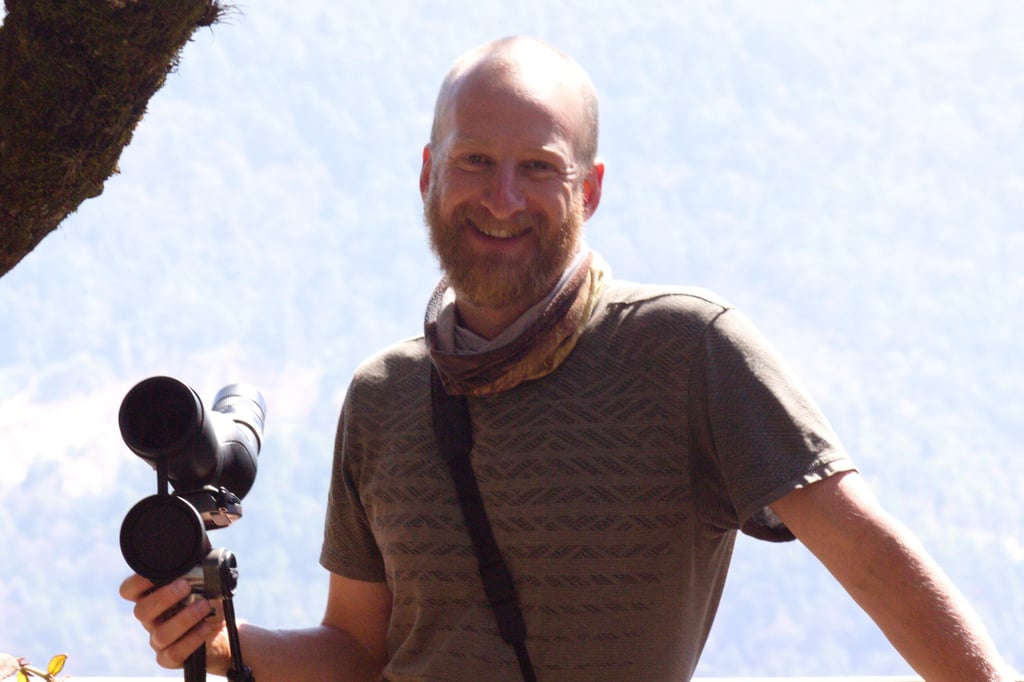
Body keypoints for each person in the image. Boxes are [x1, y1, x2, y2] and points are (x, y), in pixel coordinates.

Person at [121, 36, 1016, 681]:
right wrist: (226, 644)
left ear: (587, 189)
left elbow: (867, 554)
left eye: (538, 169)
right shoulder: (384, 397)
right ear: (427, 172)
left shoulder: (687, 351)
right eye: (475, 161)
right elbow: (360, 651)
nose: (502, 199)